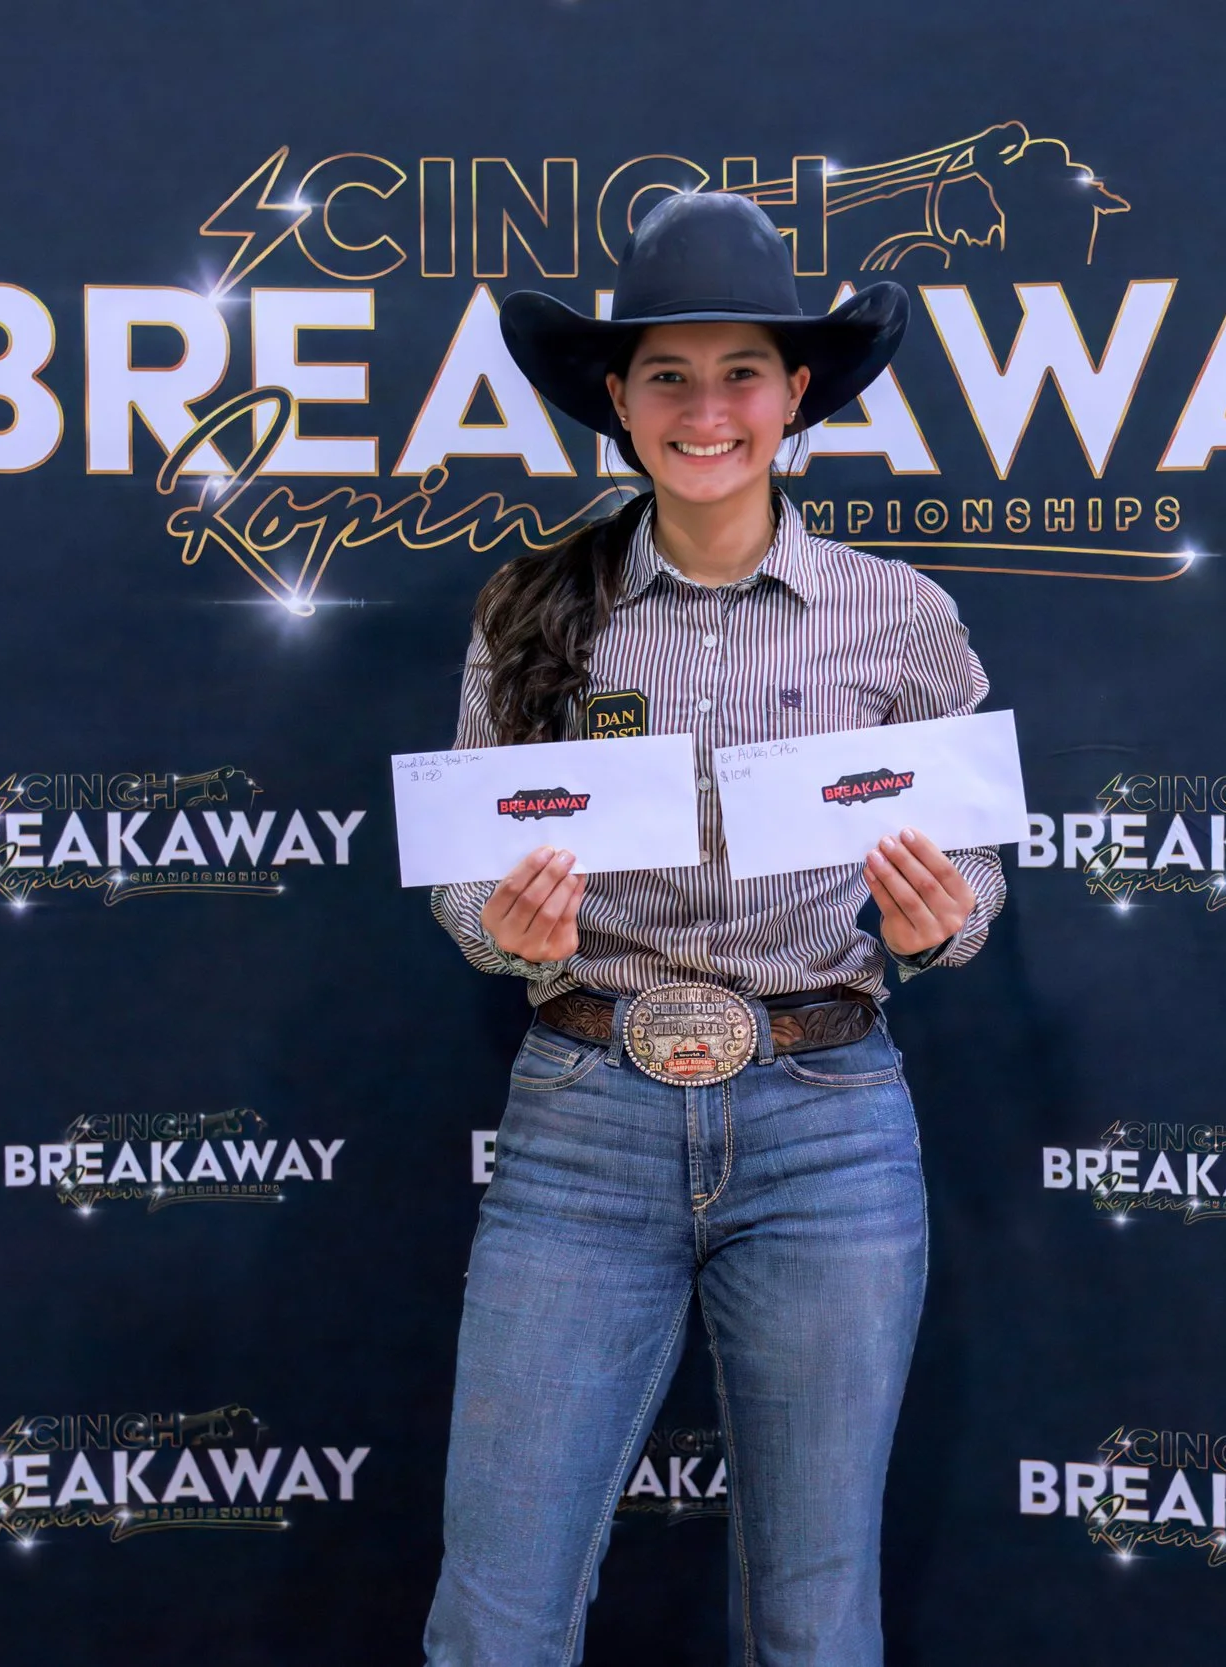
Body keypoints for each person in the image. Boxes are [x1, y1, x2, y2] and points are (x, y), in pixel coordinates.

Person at [423, 191, 1006, 1667]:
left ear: (795, 393)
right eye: (667, 377)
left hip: (828, 1128)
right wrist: (506, 929)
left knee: (815, 1621)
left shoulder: (899, 615)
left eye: (741, 371)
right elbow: (464, 878)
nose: (706, 411)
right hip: (581, 1125)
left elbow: (974, 870)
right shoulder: (531, 607)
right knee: (494, 1621)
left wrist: (943, 920)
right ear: (617, 403)